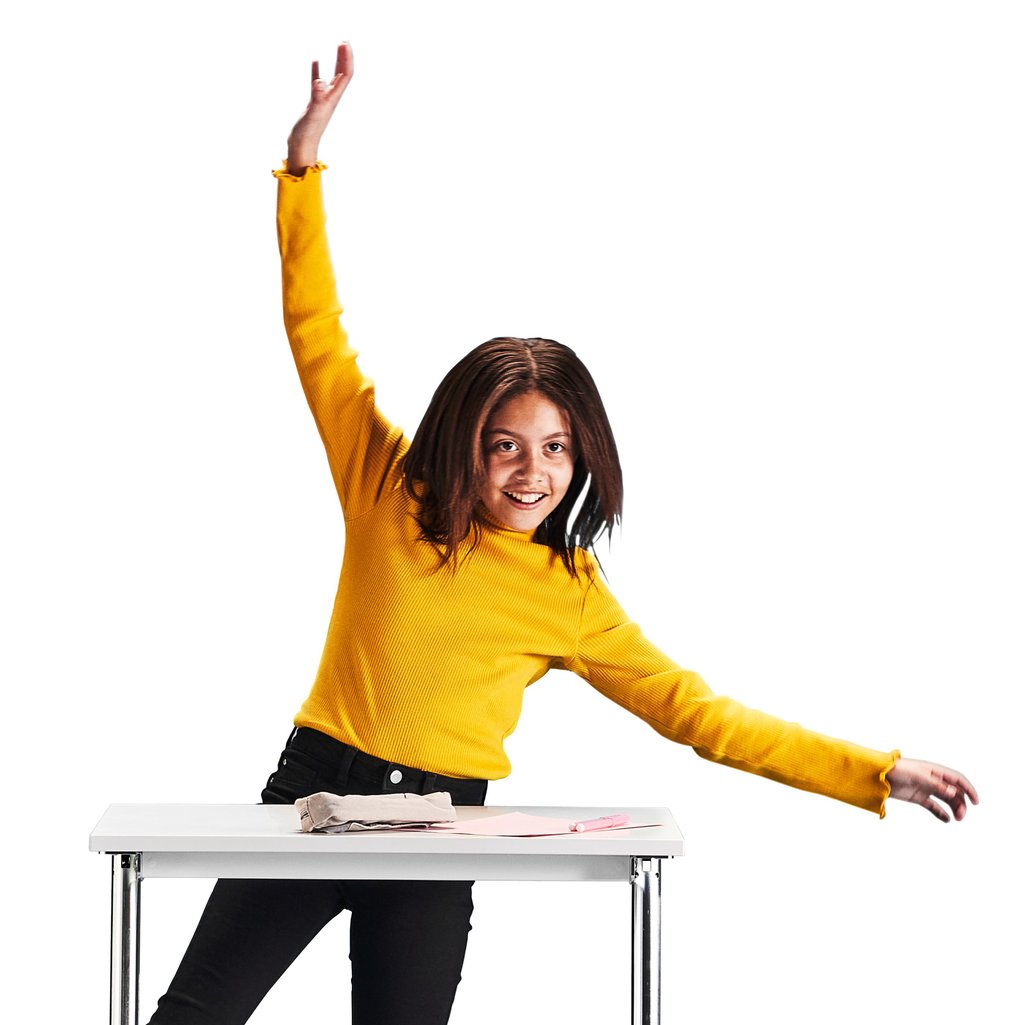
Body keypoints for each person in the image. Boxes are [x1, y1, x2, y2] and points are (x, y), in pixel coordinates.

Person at [146, 43, 978, 1025]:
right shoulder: (384, 482)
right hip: (314, 789)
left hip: (444, 828)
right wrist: (302, 168)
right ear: (464, 441)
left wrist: (873, 769)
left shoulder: (566, 592)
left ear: (582, 456)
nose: (529, 472)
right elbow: (315, 328)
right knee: (190, 1019)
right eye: (503, 445)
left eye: (553, 448)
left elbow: (699, 716)